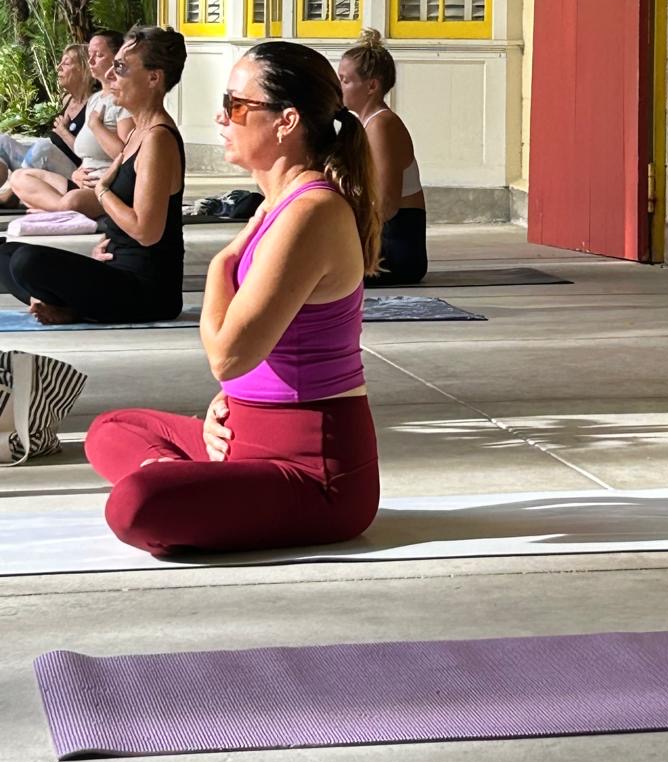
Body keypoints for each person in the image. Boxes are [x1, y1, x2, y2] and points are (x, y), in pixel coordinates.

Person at [85, 40, 381, 558]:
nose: (222, 117)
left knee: (134, 506)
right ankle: (187, 476)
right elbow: (247, 363)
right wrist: (231, 408)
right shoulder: (278, 204)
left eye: (236, 106)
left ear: (286, 122)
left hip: (314, 473)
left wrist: (223, 263)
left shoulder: (311, 212)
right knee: (111, 428)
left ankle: (182, 481)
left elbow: (228, 355)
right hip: (240, 438)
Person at [0, 26, 186, 325]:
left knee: (27, 263)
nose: (111, 76)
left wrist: (101, 191)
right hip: (118, 268)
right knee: (6, 255)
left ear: (154, 78)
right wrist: (109, 239)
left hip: (148, 291)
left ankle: (65, 303)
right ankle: (65, 304)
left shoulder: (158, 139)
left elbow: (146, 231)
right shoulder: (141, 131)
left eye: (121, 68)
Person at [337, 29, 427, 286]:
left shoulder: (382, 125)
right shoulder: (367, 125)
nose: (339, 87)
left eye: (345, 80)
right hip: (381, 243)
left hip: (396, 251)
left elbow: (386, 204)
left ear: (372, 86)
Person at [7, 30, 132, 215]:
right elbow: (86, 156)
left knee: (72, 200)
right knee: (19, 177)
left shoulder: (123, 101)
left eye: (99, 55)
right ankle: (57, 208)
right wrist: (77, 173)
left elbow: (127, 156)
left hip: (105, 189)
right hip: (82, 183)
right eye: (90, 55)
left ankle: (53, 208)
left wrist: (96, 126)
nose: (91, 61)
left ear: (117, 58)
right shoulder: (96, 100)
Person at [0, 41, 97, 204]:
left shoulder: (94, 105)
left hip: (74, 174)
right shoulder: (67, 100)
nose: (58, 67)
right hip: (45, 164)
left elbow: (91, 155)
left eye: (66, 63)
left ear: (84, 69)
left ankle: (11, 196)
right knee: (2, 141)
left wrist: (64, 132)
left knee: (43, 148)